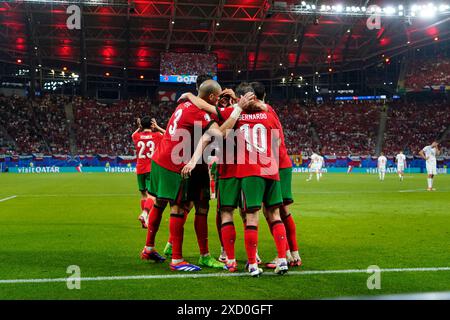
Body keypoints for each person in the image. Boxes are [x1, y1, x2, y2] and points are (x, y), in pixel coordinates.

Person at [141, 80, 253, 271]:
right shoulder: (198, 113)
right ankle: (177, 259)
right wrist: (237, 109)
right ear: (211, 97)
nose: (218, 101)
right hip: (175, 162)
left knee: (162, 203)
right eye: (217, 98)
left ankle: (149, 248)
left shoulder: (185, 104)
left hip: (162, 158)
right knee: (178, 208)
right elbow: (218, 134)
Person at [182, 83, 289, 277]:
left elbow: (211, 129)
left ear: (240, 98)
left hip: (237, 170)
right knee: (274, 214)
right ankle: (281, 258)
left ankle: (235, 260)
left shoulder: (231, 112)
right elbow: (278, 141)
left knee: (231, 214)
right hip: (270, 169)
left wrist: (190, 95)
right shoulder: (269, 112)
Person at [132, 116, 163, 228]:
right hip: (151, 169)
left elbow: (133, 135)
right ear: (152, 125)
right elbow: (168, 135)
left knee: (143, 194)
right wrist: (158, 127)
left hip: (140, 168)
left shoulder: (137, 136)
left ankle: (146, 220)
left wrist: (138, 128)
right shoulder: (156, 136)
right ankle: (145, 214)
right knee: (152, 195)